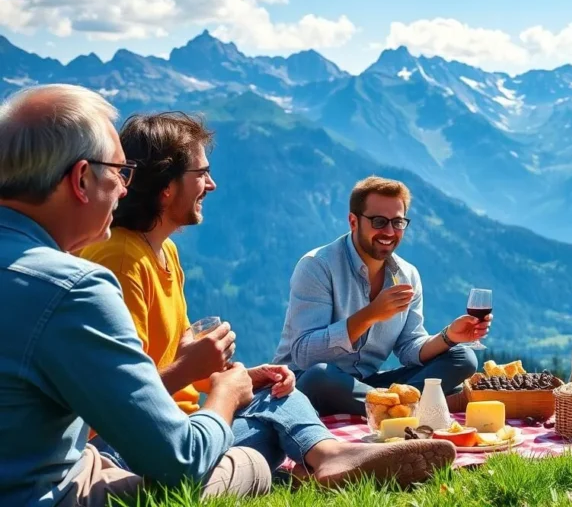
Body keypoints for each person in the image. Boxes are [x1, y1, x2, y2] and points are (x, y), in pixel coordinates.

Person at [78, 112, 456, 489]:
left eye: (398, 223)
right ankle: (307, 461)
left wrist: (238, 378)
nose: (211, 184)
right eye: (201, 174)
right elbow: (117, 400)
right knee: (285, 416)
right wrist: (210, 382)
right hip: (136, 444)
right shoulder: (123, 260)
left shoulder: (164, 253)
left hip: (185, 423)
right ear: (166, 185)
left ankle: (326, 459)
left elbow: (173, 368)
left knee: (282, 397)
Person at [0, 85, 273, 506]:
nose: (126, 189)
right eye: (119, 173)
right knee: (248, 463)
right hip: (36, 494)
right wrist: (225, 394)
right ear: (81, 179)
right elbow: (181, 461)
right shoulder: (73, 289)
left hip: (40, 462)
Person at [274, 176, 490, 416]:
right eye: (379, 221)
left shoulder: (408, 275)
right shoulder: (317, 266)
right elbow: (305, 356)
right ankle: (417, 406)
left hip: (365, 385)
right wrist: (370, 315)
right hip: (303, 384)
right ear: (353, 222)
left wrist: (449, 336)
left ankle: (392, 409)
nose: (389, 231)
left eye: (398, 222)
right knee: (321, 376)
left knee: (463, 358)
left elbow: (409, 348)